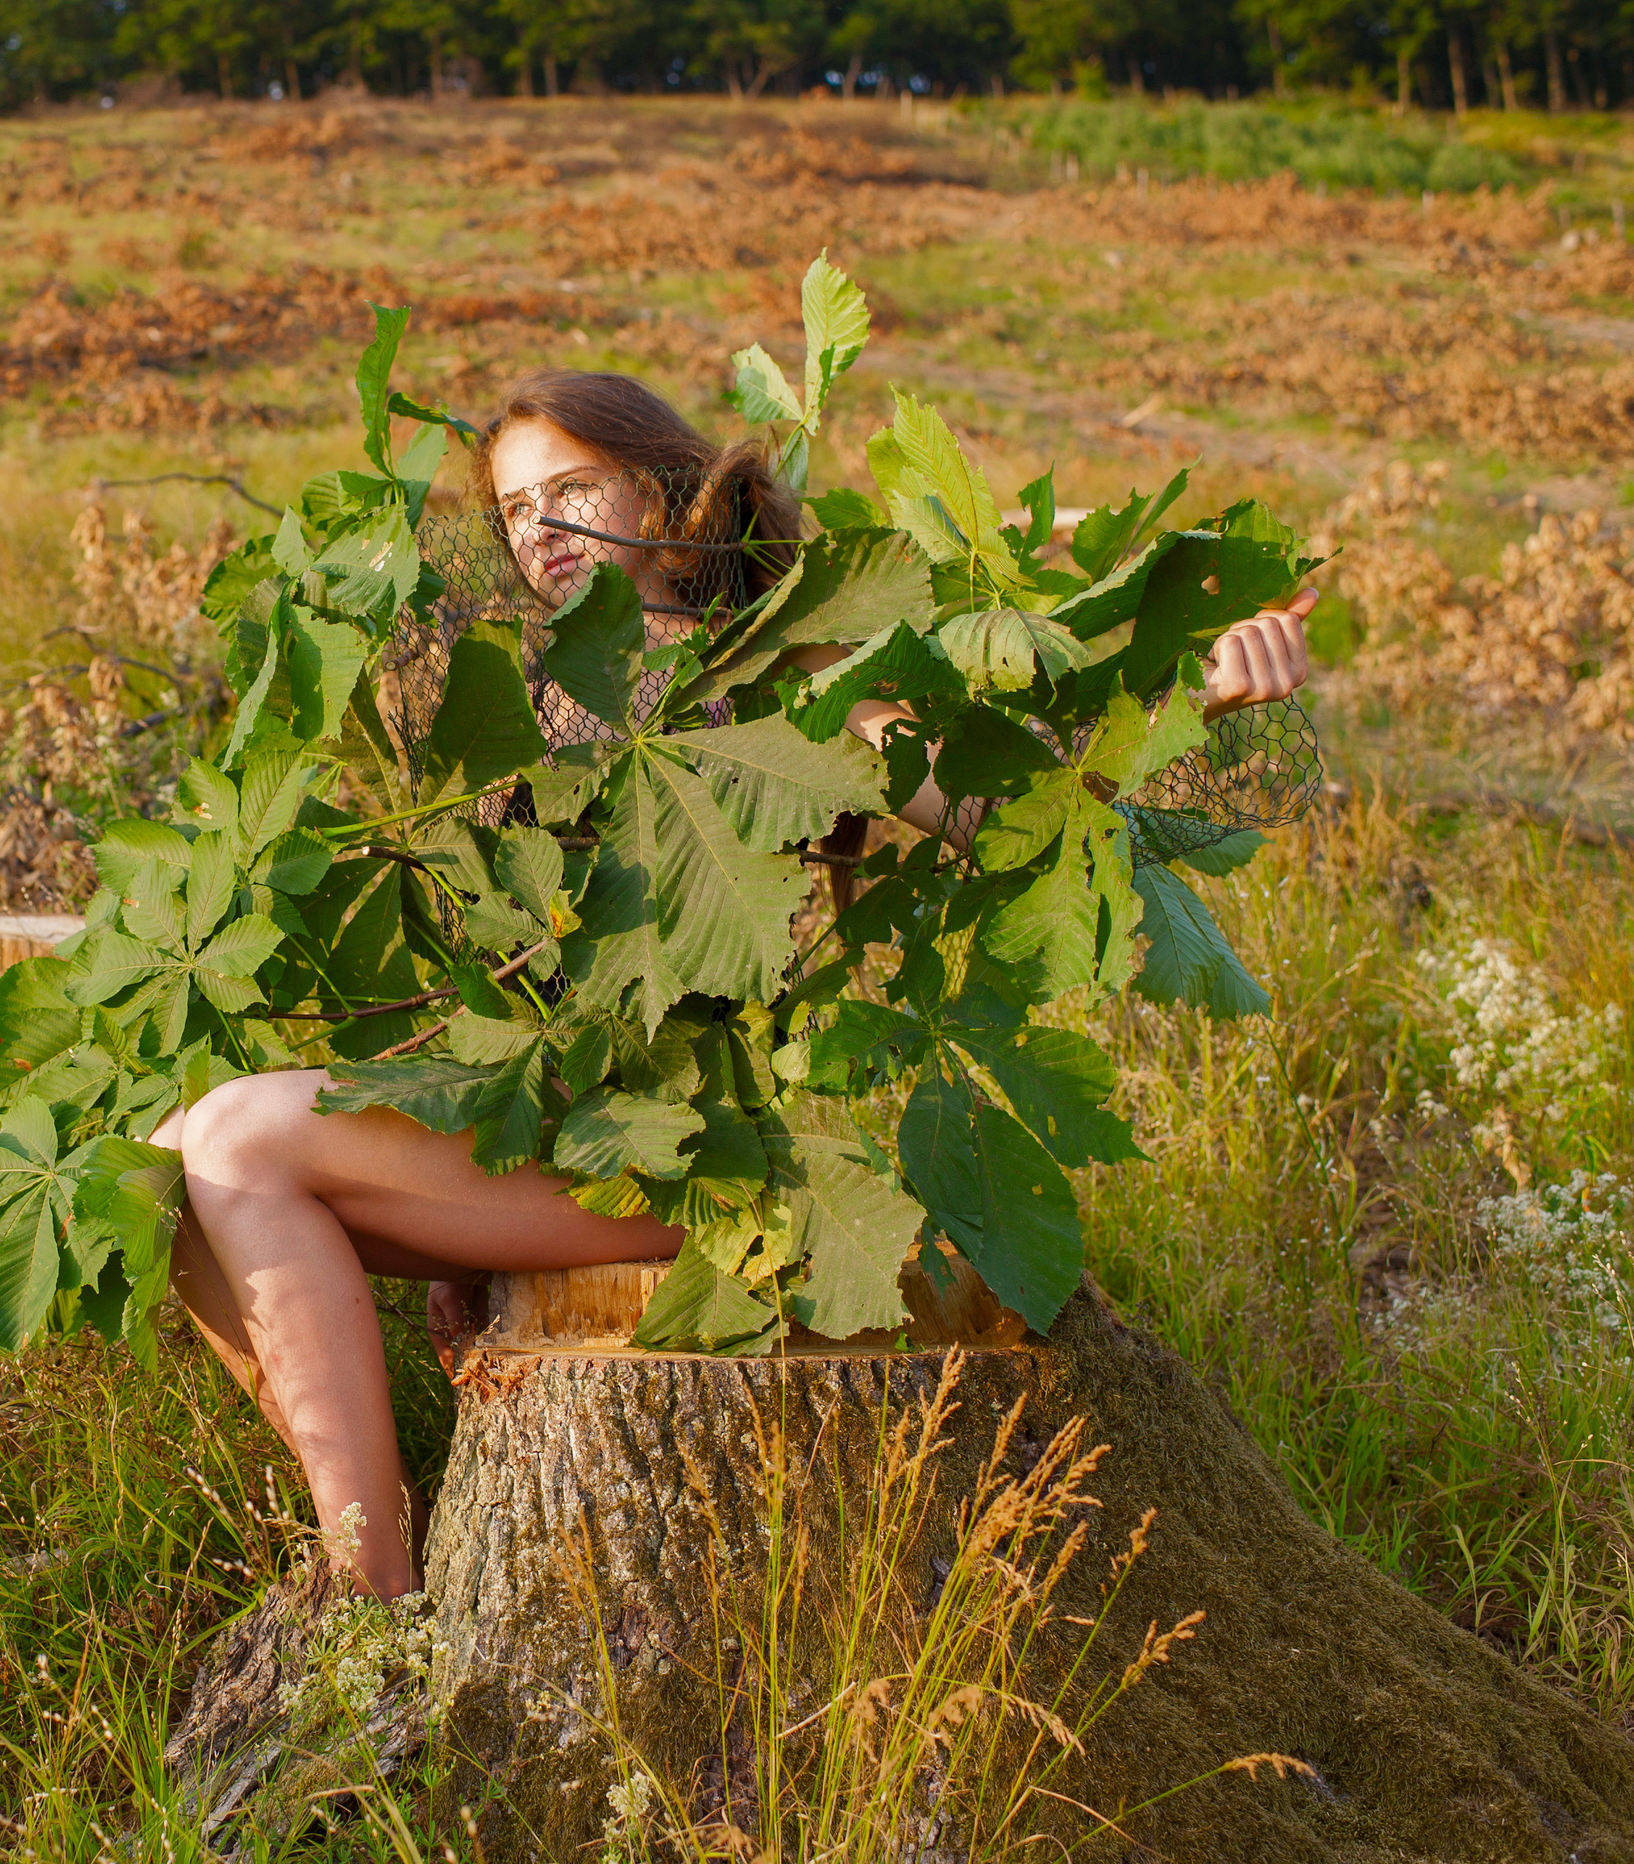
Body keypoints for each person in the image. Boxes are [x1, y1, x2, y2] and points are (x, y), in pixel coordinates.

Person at [147, 369, 1317, 1600]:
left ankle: (372, 1603)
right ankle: (374, 1560)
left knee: (234, 1133)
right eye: (514, 510)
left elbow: (997, 812)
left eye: (571, 489)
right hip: (563, 1124)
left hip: (691, 1156)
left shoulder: (766, 675)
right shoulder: (555, 685)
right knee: (177, 1152)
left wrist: (1200, 693)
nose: (540, 528)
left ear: (660, 494)